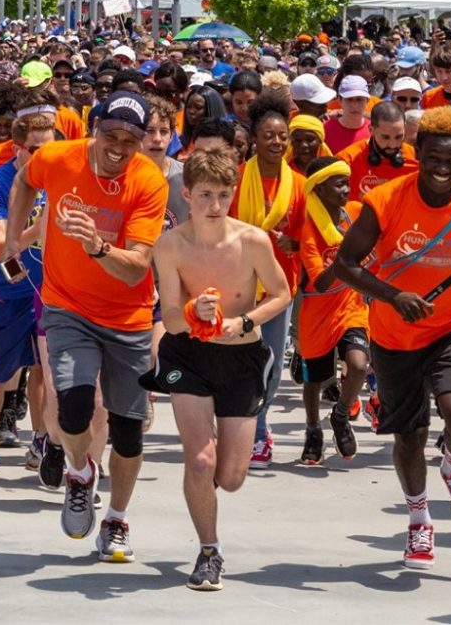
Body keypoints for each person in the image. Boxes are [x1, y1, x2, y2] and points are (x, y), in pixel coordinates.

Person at [331, 105, 451, 571]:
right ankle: (419, 521)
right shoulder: (387, 201)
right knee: (409, 438)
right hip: (393, 337)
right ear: (419, 153)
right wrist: (393, 296)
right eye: (434, 159)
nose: (442, 170)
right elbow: (345, 266)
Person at [7, 90, 169, 563]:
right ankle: (79, 471)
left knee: (128, 431)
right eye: (111, 135)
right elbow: (23, 181)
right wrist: (16, 237)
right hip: (68, 307)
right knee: (74, 409)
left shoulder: (148, 182)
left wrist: (97, 245)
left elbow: (137, 268)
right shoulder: (58, 157)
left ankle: (116, 518)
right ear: (93, 128)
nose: (119, 147)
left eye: (131, 140)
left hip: (128, 319)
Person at [151, 147, 293, 590]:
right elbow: (169, 315)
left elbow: (282, 293)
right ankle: (209, 550)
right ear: (186, 195)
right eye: (205, 195)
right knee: (198, 460)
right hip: (189, 355)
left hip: (242, 356)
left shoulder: (252, 240)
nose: (214, 206)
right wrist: (195, 311)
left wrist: (244, 321)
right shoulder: (170, 245)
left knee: (230, 478)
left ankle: (212, 472)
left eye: (223, 195)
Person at [0, 96, 58, 477]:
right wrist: (41, 225)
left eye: (49, 150)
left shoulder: (61, 177)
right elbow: (0, 245)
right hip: (5, 295)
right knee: (0, 378)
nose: (42, 158)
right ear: (17, 148)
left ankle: (41, 440)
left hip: (50, 293)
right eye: (34, 150)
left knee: (45, 372)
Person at [235, 93, 304, 468]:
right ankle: (238, 426)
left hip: (279, 287)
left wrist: (295, 242)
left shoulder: (299, 185)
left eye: (283, 136)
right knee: (238, 361)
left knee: (272, 362)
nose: (276, 142)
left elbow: (310, 235)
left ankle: (258, 429)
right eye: (268, 135)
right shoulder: (235, 179)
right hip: (238, 283)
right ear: (254, 139)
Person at [292, 154, 367, 467]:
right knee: (314, 381)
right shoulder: (310, 232)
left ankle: (340, 415)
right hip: (318, 312)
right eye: (337, 184)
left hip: (352, 307)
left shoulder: (358, 213)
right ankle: (313, 431)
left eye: (346, 183)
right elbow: (321, 283)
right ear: (319, 190)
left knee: (359, 365)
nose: (345, 190)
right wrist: (345, 257)